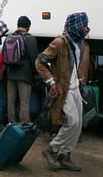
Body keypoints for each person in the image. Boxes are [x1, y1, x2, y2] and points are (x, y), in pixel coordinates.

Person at [36, 12, 90, 172]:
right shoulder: (59, 42)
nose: (86, 28)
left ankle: (65, 155)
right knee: (71, 122)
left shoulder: (80, 42)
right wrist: (51, 82)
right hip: (63, 90)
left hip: (75, 89)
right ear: (74, 26)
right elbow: (39, 61)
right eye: (83, 25)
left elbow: (72, 65)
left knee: (78, 125)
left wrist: (79, 78)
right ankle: (51, 150)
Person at [4, 16, 38, 124]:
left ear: (18, 25)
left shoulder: (9, 38)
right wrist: (35, 75)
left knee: (11, 100)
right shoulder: (30, 38)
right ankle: (24, 123)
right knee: (24, 101)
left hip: (10, 73)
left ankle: (11, 123)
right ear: (28, 26)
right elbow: (33, 58)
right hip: (24, 74)